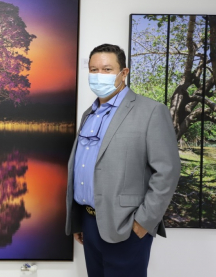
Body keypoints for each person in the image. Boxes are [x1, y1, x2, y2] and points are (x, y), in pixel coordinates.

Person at [65, 43, 181, 277]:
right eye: (93, 69)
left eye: (107, 70)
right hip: (89, 222)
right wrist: (79, 219)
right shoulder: (89, 114)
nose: (99, 75)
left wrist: (143, 222)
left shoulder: (150, 111)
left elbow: (167, 172)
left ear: (124, 73)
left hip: (126, 225)